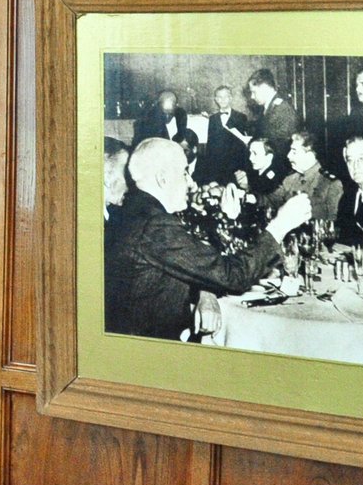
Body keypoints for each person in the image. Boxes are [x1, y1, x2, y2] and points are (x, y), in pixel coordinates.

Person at [107, 137, 312, 340]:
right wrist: (279, 226)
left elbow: (190, 261)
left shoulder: (134, 213)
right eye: (184, 172)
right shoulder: (155, 225)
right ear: (163, 178)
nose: (190, 182)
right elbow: (233, 276)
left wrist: (206, 292)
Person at [271, 129, 343, 233]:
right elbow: (272, 200)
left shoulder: (330, 183)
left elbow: (334, 225)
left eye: (294, 151)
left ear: (310, 155)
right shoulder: (289, 180)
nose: (288, 156)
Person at [196, 85, 253, 185]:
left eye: (225, 97)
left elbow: (244, 144)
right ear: (216, 99)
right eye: (219, 97)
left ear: (230, 98)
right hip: (217, 167)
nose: (222, 100)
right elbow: (210, 144)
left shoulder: (241, 117)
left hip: (235, 166)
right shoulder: (212, 119)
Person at [245, 68, 301, 149]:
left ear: (264, 87)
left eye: (254, 92)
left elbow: (282, 145)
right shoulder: (270, 107)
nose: (252, 97)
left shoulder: (282, 109)